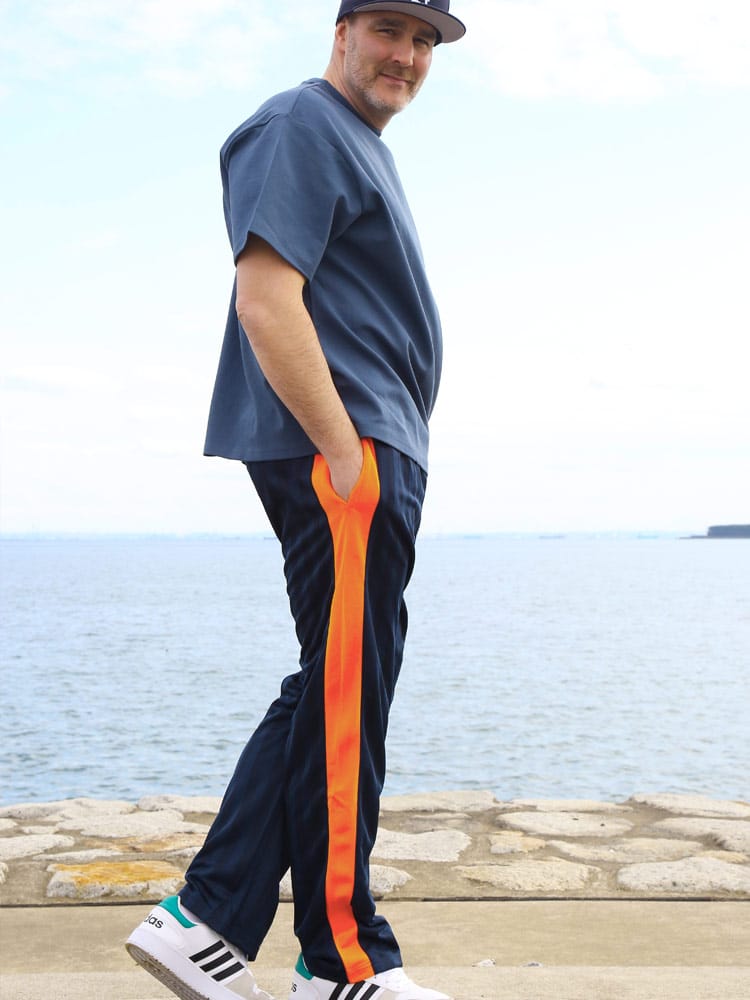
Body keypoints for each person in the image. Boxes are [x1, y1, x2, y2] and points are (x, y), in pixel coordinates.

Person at [126, 3, 466, 999]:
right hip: (346, 454)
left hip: (372, 451)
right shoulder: (300, 123)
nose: (408, 54)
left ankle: (219, 925)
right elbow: (265, 298)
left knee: (335, 690)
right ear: (343, 28)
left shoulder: (355, 143)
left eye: (426, 41)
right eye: (392, 29)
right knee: (344, 697)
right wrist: (345, 454)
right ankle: (341, 961)